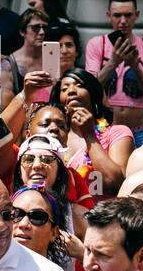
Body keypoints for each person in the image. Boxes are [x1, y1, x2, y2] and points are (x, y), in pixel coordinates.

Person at [86, 0, 143, 145]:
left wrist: (135, 67)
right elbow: (90, 87)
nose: (123, 21)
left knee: (138, 169)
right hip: (105, 127)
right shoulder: (97, 44)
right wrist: (113, 62)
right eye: (117, 15)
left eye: (128, 15)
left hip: (137, 130)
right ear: (108, 15)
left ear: (136, 15)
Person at [13, 112, 93, 236]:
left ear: (60, 172)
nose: (37, 165)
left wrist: (81, 251)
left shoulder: (78, 216)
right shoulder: (6, 212)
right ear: (19, 171)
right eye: (28, 159)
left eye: (47, 160)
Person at [57, 68, 133, 197]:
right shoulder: (57, 137)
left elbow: (114, 183)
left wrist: (89, 136)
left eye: (79, 86)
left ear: (93, 95)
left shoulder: (117, 133)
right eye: (64, 89)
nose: (71, 91)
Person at [11, 183, 83, 271]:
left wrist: (83, 254)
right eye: (16, 214)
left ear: (54, 233)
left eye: (37, 217)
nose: (23, 224)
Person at [0, 7, 49, 102]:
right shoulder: (9, 65)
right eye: (36, 28)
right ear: (22, 32)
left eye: (44, 28)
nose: (42, 32)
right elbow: (4, 104)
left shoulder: (52, 58)